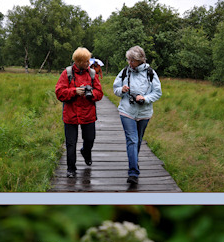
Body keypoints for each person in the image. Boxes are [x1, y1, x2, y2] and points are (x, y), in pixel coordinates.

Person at [113, 45, 162, 185]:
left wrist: (145, 99)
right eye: (129, 60)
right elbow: (115, 89)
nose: (130, 63)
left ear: (140, 60)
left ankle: (134, 161)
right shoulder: (124, 72)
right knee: (132, 140)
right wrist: (121, 90)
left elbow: (157, 92)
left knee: (138, 140)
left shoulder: (150, 73)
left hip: (144, 113)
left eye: (132, 61)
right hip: (126, 111)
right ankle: (133, 172)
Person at [54, 47, 102, 178]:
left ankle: (86, 152)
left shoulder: (92, 73)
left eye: (88, 60)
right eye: (86, 61)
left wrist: (91, 94)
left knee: (90, 139)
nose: (88, 63)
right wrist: (74, 91)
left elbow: (100, 93)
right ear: (78, 61)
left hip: (88, 114)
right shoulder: (67, 73)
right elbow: (59, 93)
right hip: (71, 114)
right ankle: (71, 168)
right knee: (71, 142)